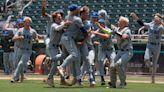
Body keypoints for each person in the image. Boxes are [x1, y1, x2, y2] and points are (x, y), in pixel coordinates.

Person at [130, 12, 164, 83]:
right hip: (149, 44)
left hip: (157, 45)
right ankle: (150, 65)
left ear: (159, 19)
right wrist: (135, 17)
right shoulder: (150, 24)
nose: (155, 18)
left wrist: (162, 22)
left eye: (157, 17)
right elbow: (141, 24)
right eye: (155, 17)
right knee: (146, 58)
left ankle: (153, 78)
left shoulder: (161, 27)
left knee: (155, 62)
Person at [46, 11, 71, 87]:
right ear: (54, 19)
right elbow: (57, 28)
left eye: (60, 17)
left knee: (62, 62)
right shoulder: (53, 25)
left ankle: (62, 81)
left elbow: (65, 27)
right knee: (56, 64)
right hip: (51, 46)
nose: (60, 18)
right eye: (58, 17)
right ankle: (49, 78)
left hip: (57, 47)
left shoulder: (61, 24)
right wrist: (64, 24)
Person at [11, 16, 39, 83]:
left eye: (29, 22)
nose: (27, 23)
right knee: (18, 64)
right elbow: (13, 39)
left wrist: (35, 40)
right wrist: (19, 37)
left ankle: (15, 77)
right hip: (20, 49)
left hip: (27, 50)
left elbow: (37, 39)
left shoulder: (33, 31)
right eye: (26, 22)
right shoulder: (20, 30)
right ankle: (22, 77)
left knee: (21, 63)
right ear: (24, 23)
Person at [109, 16, 133, 88]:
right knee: (112, 66)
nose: (118, 22)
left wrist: (115, 30)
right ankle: (113, 84)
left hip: (128, 51)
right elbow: (111, 30)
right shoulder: (118, 29)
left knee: (118, 64)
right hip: (120, 51)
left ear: (124, 23)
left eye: (119, 21)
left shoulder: (127, 30)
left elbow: (123, 36)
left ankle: (122, 83)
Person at [91, 19, 116, 86]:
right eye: (99, 23)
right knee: (100, 61)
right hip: (102, 49)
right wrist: (92, 38)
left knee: (113, 63)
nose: (100, 24)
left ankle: (112, 80)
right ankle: (102, 78)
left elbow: (106, 36)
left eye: (102, 23)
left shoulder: (108, 29)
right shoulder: (97, 31)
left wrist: (96, 33)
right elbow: (91, 38)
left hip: (110, 49)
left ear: (104, 24)